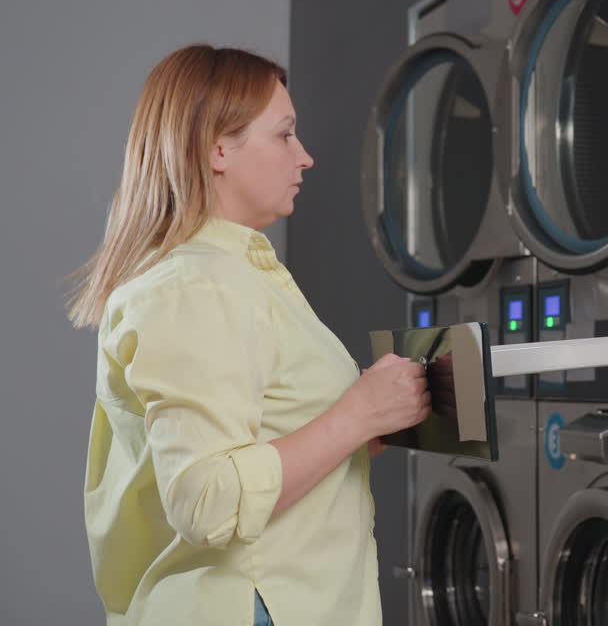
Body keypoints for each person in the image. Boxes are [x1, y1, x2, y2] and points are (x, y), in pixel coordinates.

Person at [68, 45, 449, 625]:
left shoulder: (238, 275)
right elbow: (206, 502)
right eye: (284, 135)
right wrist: (353, 417)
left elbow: (256, 436)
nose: (306, 157)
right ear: (219, 148)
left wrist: (358, 428)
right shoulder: (196, 287)